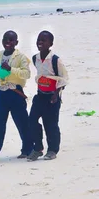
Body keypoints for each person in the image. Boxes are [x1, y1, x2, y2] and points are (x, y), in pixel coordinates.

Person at [0, 31, 33, 162]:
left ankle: (28, 149)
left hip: (16, 92)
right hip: (2, 93)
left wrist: (10, 69)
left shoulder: (21, 57)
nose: (8, 43)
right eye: (6, 40)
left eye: (11, 40)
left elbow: (26, 74)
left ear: (16, 42)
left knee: (22, 123)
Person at [27, 31, 69, 161]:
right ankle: (38, 148)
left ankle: (52, 150)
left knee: (51, 124)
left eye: (43, 40)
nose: (40, 43)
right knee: (31, 121)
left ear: (50, 44)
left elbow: (64, 79)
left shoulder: (56, 60)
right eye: (39, 40)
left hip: (53, 97)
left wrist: (56, 94)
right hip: (40, 95)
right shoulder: (35, 58)